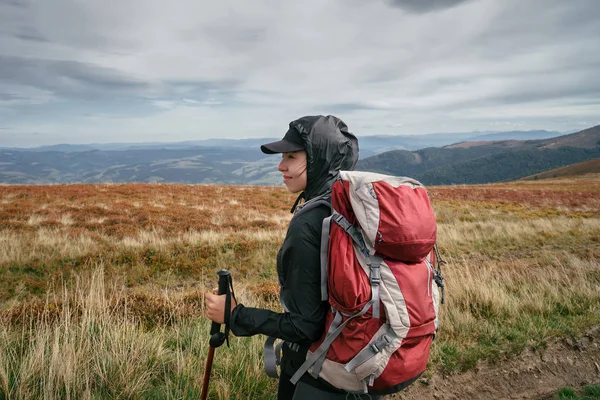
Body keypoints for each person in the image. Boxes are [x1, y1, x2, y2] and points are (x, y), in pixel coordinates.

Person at [206, 115, 380, 399]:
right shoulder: (354, 208)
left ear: (318, 159)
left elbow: (304, 326)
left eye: (291, 156)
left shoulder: (310, 223)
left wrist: (235, 314)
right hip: (364, 361)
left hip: (318, 373)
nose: (280, 165)